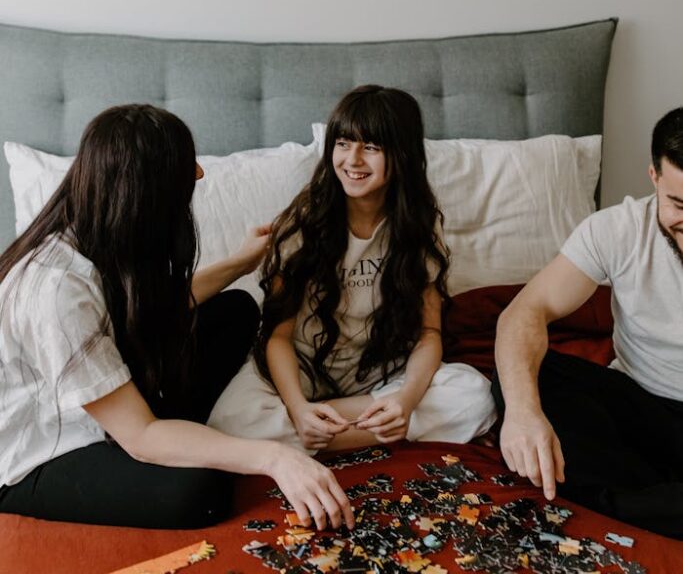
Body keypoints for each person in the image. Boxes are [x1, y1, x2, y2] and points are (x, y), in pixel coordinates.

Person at [0, 104, 353, 531]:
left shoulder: (95, 228)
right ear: (145, 194)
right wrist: (274, 457)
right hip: (39, 449)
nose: (200, 174)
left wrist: (242, 263)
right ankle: (183, 442)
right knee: (200, 493)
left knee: (235, 309)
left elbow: (152, 309)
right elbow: (139, 435)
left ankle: (183, 438)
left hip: (101, 394)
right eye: (185, 168)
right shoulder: (57, 289)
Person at [209, 85, 496, 452]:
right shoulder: (299, 227)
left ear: (402, 154)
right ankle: (343, 426)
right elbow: (277, 337)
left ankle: (322, 431)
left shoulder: (418, 228)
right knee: (229, 420)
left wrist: (405, 401)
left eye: (371, 147)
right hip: (303, 370)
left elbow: (429, 333)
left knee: (475, 394)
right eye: (343, 144)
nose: (353, 160)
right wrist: (297, 408)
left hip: (380, 372)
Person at [494, 107, 683, 539]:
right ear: (654, 177)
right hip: (643, 408)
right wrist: (523, 415)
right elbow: (524, 313)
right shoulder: (616, 230)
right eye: (680, 205)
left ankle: (621, 504)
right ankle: (656, 503)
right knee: (528, 375)